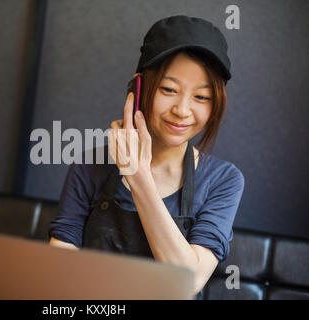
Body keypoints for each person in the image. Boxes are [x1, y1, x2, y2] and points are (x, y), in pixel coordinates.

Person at [48, 15, 245, 298]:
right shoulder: (89, 166)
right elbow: (58, 271)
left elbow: (186, 283)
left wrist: (137, 176)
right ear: (138, 91)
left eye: (201, 97)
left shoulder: (224, 181)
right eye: (168, 90)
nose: (182, 110)